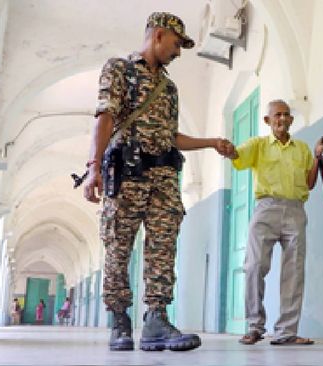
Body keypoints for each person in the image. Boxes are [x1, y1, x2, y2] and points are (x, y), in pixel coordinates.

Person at [83, 12, 232, 352]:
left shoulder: (170, 87)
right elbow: (104, 117)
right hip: (127, 173)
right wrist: (94, 167)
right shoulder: (119, 69)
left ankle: (156, 319)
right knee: (118, 247)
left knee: (163, 247)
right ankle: (120, 320)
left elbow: (170, 136)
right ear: (160, 35)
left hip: (164, 177)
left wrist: (210, 142)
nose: (179, 52)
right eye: (177, 44)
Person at [224, 99, 323, 346]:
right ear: (267, 120)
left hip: (295, 210)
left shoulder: (302, 149)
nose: (282, 119)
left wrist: (317, 157)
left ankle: (286, 331)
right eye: (277, 115)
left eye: (286, 115)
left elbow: (309, 183)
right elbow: (238, 156)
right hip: (266, 209)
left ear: (291, 120)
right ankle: (254, 327)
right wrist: (229, 149)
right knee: (253, 267)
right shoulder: (259, 145)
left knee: (294, 271)